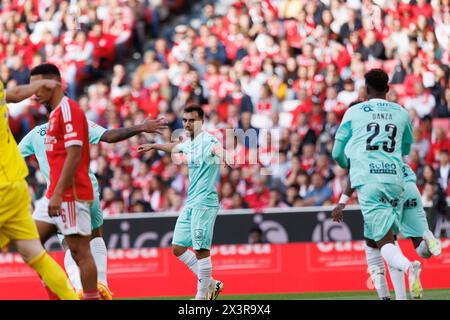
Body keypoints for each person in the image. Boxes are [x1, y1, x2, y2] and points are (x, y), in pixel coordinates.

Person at [19, 110, 166, 299]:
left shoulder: (35, 134)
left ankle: (79, 288)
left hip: (60, 195)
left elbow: (13, 156)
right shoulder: (80, 124)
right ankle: (102, 283)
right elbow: (109, 136)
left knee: (68, 243)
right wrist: (141, 127)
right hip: (89, 191)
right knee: (96, 235)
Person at [331, 68, 421, 299]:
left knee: (383, 243)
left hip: (369, 182)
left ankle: (410, 267)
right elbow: (407, 149)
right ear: (388, 88)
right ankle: (394, 297)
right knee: (376, 240)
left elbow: (337, 154)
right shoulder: (401, 112)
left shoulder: (355, 113)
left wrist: (347, 162)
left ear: (365, 88)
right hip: (395, 179)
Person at [137, 105, 230, 300]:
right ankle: (211, 284)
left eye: (192, 120)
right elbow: (176, 147)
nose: (187, 124)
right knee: (177, 248)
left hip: (204, 203)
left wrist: (227, 156)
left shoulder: (208, 141)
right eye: (185, 120)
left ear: (201, 122)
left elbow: (218, 149)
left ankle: (201, 298)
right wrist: (154, 146)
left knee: (201, 250)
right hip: (191, 202)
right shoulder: (190, 141)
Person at [0, 79, 78, 299]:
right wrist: (40, 84)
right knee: (36, 255)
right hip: (16, 185)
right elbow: (14, 94)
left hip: (1, 189)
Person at [29, 63, 98, 300]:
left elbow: (74, 155)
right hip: (54, 193)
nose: (33, 92)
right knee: (30, 245)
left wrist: (58, 193)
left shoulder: (68, 110)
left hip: (70, 194)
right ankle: (61, 295)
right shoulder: (55, 113)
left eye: (37, 86)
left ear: (54, 84)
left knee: (80, 252)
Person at [332, 162, 442, 300]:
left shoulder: (364, 150)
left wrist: (342, 203)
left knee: (375, 249)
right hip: (409, 187)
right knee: (417, 247)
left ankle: (407, 271)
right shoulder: (393, 147)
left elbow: (353, 172)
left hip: (383, 193)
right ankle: (427, 238)